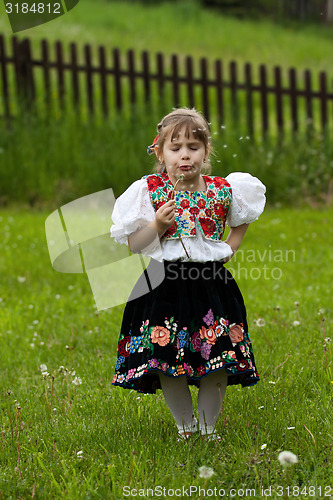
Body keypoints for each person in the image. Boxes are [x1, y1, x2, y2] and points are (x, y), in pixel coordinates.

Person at [110, 108, 266, 442]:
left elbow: (241, 223)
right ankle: (185, 428)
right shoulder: (149, 192)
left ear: (206, 152)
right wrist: (158, 225)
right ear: (160, 152)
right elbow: (135, 246)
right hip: (161, 287)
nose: (185, 155)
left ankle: (209, 430)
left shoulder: (224, 190)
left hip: (212, 286)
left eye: (193, 147)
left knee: (218, 356)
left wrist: (227, 249)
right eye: (175, 147)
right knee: (166, 358)